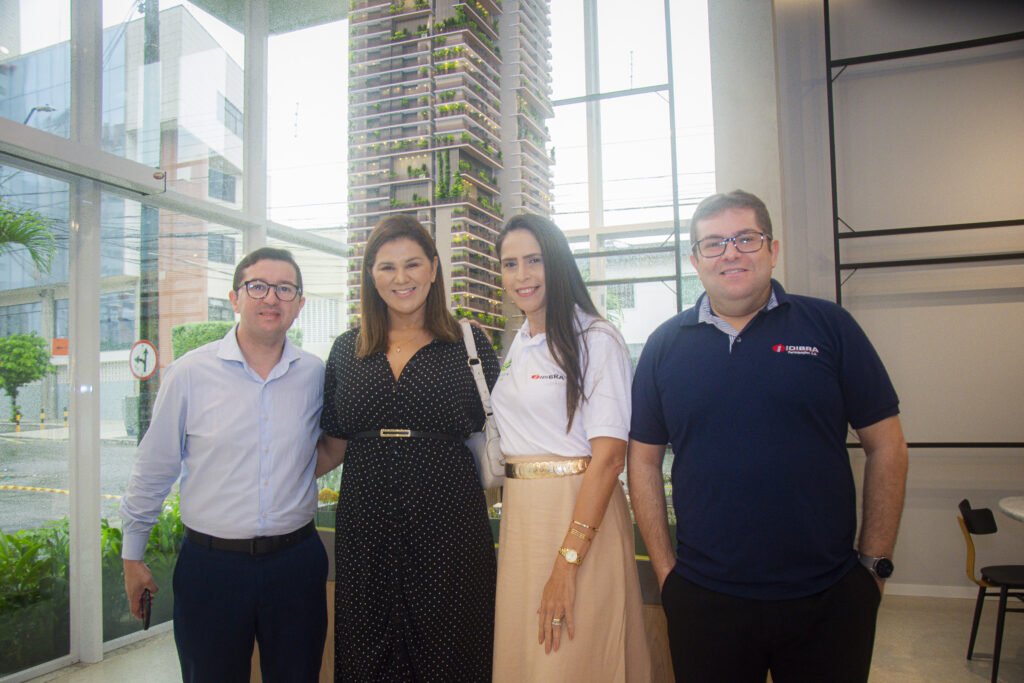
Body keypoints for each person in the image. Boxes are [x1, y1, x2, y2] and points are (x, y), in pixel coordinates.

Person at [628, 189, 909, 682]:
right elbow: (644, 462)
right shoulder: (664, 347)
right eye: (713, 243)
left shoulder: (830, 327)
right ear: (696, 260)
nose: (730, 252)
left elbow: (887, 445)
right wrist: (666, 573)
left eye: (746, 238)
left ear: (773, 250)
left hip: (829, 597)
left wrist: (874, 564)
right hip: (705, 600)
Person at [120, 247, 328, 681]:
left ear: (300, 304)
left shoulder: (316, 375)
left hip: (296, 565)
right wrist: (132, 555)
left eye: (284, 289)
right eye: (257, 286)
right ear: (235, 298)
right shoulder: (189, 374)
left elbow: (330, 445)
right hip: (211, 569)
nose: (271, 298)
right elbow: (153, 468)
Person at [316, 214, 498, 681]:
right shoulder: (346, 349)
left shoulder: (469, 342)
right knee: (368, 653)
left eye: (413, 264)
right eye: (386, 267)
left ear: (434, 269)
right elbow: (331, 446)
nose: (401, 278)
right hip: (367, 533)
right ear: (370, 276)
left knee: (453, 651)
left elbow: (511, 434)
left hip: (451, 531)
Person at [491, 214, 650, 682]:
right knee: (528, 661)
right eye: (510, 264)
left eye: (534, 261)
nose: (522, 276)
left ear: (557, 263)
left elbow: (608, 459)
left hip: (578, 525)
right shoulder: (520, 342)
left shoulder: (595, 339)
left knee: (572, 661)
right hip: (521, 525)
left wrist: (567, 564)